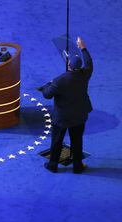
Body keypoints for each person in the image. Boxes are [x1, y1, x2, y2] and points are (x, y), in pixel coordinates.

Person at [37, 37, 93, 174]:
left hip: (62, 117)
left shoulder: (60, 80)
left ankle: (53, 165)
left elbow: (47, 95)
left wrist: (46, 86)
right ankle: (78, 166)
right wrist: (83, 48)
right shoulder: (85, 74)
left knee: (57, 140)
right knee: (77, 140)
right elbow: (89, 63)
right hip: (79, 115)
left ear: (69, 65)